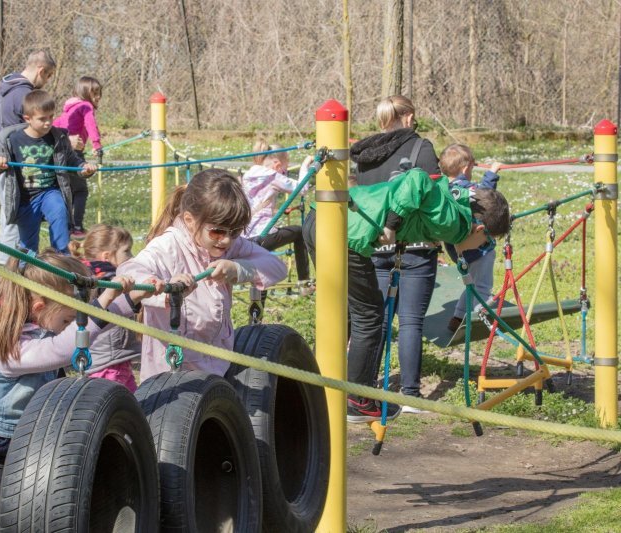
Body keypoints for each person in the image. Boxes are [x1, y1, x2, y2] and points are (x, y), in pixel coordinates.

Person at [0, 249, 159, 532]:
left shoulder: (41, 324)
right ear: (39, 307)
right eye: (66, 320)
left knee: (37, 522)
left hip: (29, 445)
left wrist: (130, 299)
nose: (68, 326)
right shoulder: (7, 349)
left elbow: (79, 327)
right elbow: (66, 347)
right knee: (6, 527)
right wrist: (105, 300)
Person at [302, 168, 511, 423]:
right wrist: (391, 225)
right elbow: (417, 179)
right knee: (370, 317)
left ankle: (317, 386)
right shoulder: (454, 221)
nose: (483, 248)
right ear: (479, 229)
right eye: (487, 242)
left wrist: (408, 228)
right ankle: (357, 401)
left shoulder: (452, 206)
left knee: (342, 309)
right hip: (347, 232)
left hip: (321, 216)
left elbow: (415, 193)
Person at [118, 168, 288, 381]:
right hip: (170, 373)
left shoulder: (230, 248)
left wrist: (238, 269)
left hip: (217, 367)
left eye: (234, 232)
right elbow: (130, 270)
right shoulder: (168, 246)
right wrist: (165, 287)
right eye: (217, 231)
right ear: (189, 220)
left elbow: (277, 267)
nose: (225, 240)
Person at [349, 94, 441, 410]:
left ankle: (365, 390)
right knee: (411, 321)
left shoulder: (365, 154)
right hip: (415, 245)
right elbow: (433, 193)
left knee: (376, 320)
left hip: (375, 245)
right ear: (410, 116)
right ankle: (411, 395)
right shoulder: (421, 148)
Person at [0, 90, 97, 254]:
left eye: (51, 117)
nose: (48, 123)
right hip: (26, 198)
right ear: (28, 119)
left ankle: (62, 264)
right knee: (28, 245)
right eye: (42, 119)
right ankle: (28, 272)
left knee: (59, 213)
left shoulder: (58, 137)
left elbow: (72, 160)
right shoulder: (12, 140)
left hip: (49, 192)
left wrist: (83, 168)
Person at [0, 49, 57, 264]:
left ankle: (7, 266)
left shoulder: (3, 89)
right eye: (47, 76)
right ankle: (6, 272)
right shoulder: (25, 95)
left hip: (1, 159)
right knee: (15, 216)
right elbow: (35, 131)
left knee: (8, 215)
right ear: (41, 70)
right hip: (14, 163)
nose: (46, 82)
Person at [439, 144, 503, 332]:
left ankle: (458, 317)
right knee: (482, 287)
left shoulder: (442, 189)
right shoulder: (465, 189)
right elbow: (486, 195)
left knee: (471, 285)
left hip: (455, 248)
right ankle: (477, 321)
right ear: (466, 168)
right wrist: (492, 172)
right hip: (478, 247)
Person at [69, 223, 141, 391]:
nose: (132, 256)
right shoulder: (106, 281)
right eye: (127, 251)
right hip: (108, 362)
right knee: (120, 408)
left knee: (134, 407)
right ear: (107, 256)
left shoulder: (92, 277)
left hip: (115, 359)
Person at [241, 140, 311, 284]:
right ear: (277, 164)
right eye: (284, 171)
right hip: (264, 235)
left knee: (261, 276)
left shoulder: (248, 175)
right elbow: (301, 188)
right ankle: (304, 281)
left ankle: (258, 305)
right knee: (299, 232)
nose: (283, 174)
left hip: (246, 237)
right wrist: (305, 165)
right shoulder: (272, 175)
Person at [53, 76, 104, 237]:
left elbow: (57, 125)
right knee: (81, 190)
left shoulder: (68, 109)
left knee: (68, 189)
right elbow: (91, 125)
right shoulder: (86, 107)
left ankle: (68, 225)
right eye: (95, 94)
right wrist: (97, 145)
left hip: (61, 152)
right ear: (86, 94)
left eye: (99, 93)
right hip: (74, 153)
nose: (98, 97)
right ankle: (76, 226)